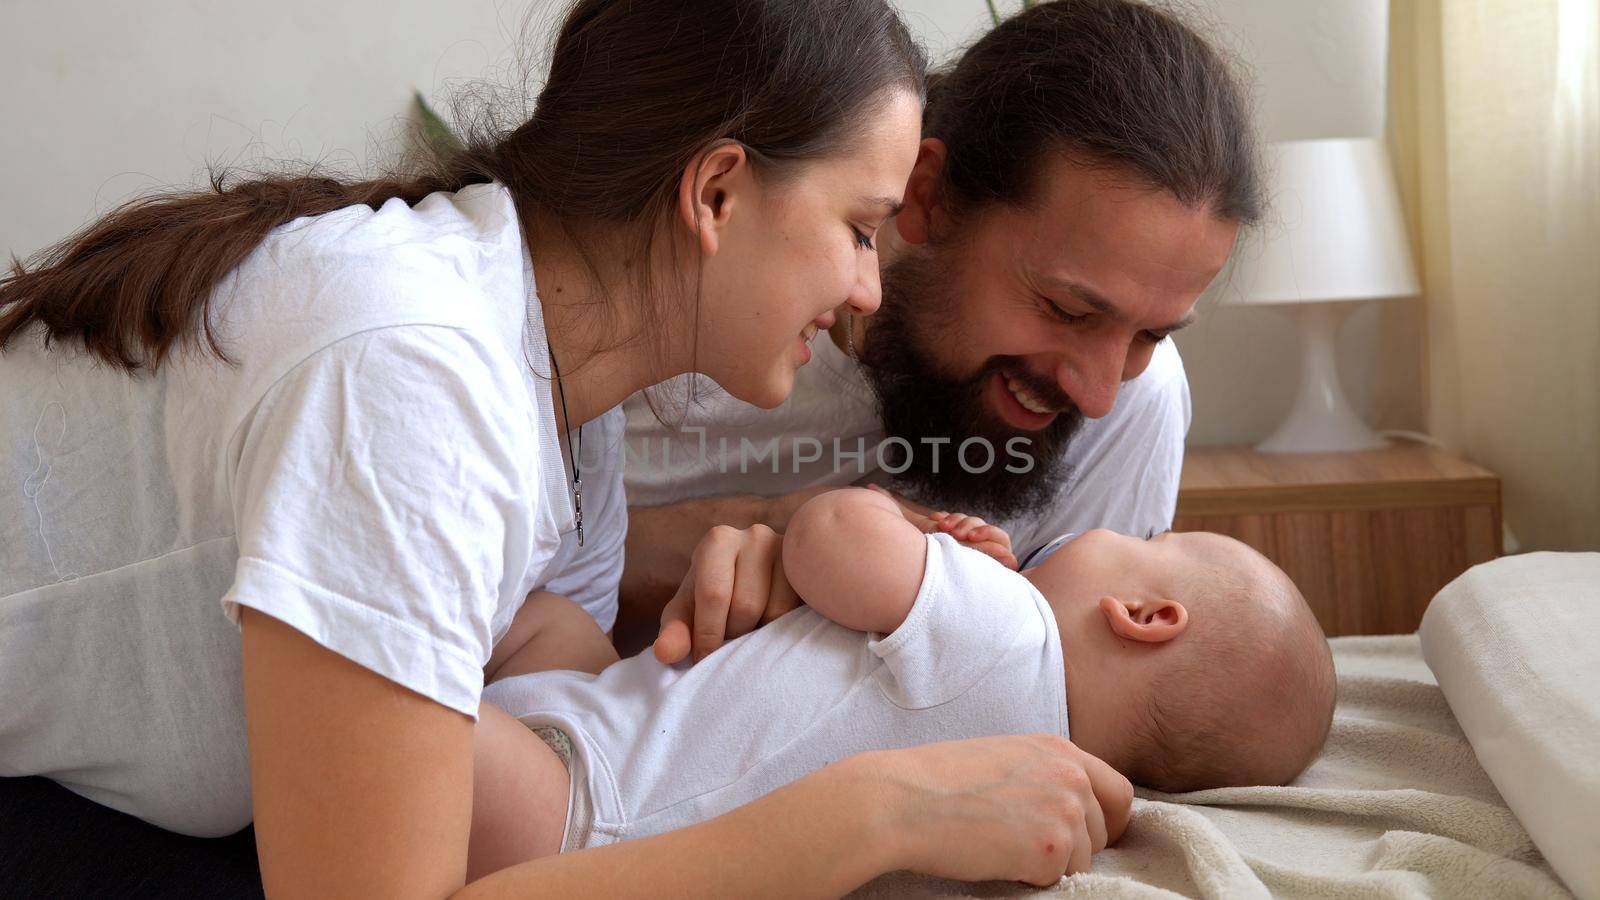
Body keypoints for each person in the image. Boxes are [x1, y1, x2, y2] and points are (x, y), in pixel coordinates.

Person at [0, 0, 1131, 894]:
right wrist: (878, 814)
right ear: (718, 190)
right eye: (858, 230)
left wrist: (781, 674)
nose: (863, 293)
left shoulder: (560, 413)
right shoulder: (412, 373)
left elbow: (552, 733)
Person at [617, 0, 1265, 659]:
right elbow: (525, 580)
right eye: (1067, 311)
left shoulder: (1134, 402)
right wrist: (759, 533)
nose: (1099, 394)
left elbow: (1074, 695)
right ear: (927, 195)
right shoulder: (698, 302)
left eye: (1149, 335)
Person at [469, 486, 1335, 874]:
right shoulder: (1022, 756)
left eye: (1145, 544)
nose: (1111, 533)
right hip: (611, 753)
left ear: (1143, 616)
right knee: (558, 627)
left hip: (581, 800)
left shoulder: (1010, 629)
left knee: (427, 711)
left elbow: (830, 538)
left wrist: (900, 521)